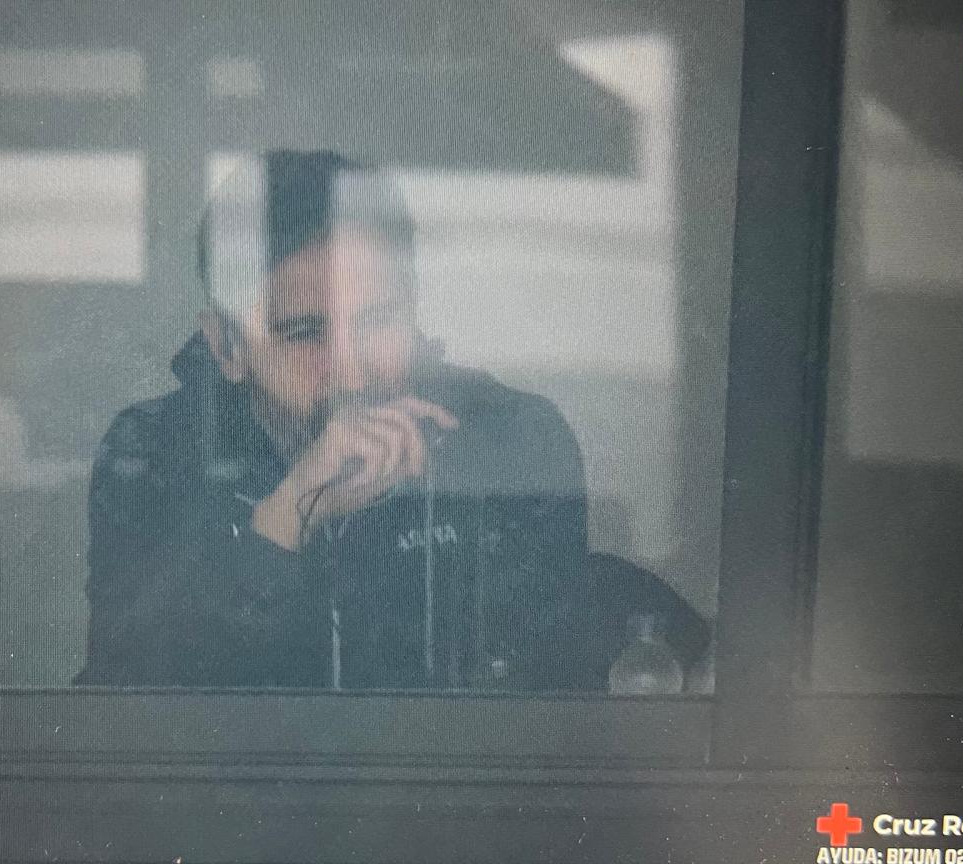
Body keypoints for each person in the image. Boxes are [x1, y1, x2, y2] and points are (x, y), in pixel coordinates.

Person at [75, 150, 615, 689]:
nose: (352, 372)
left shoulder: (507, 437)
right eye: (305, 333)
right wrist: (288, 517)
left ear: (414, 309)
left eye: (378, 320)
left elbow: (554, 701)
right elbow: (130, 705)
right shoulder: (155, 454)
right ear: (226, 345)